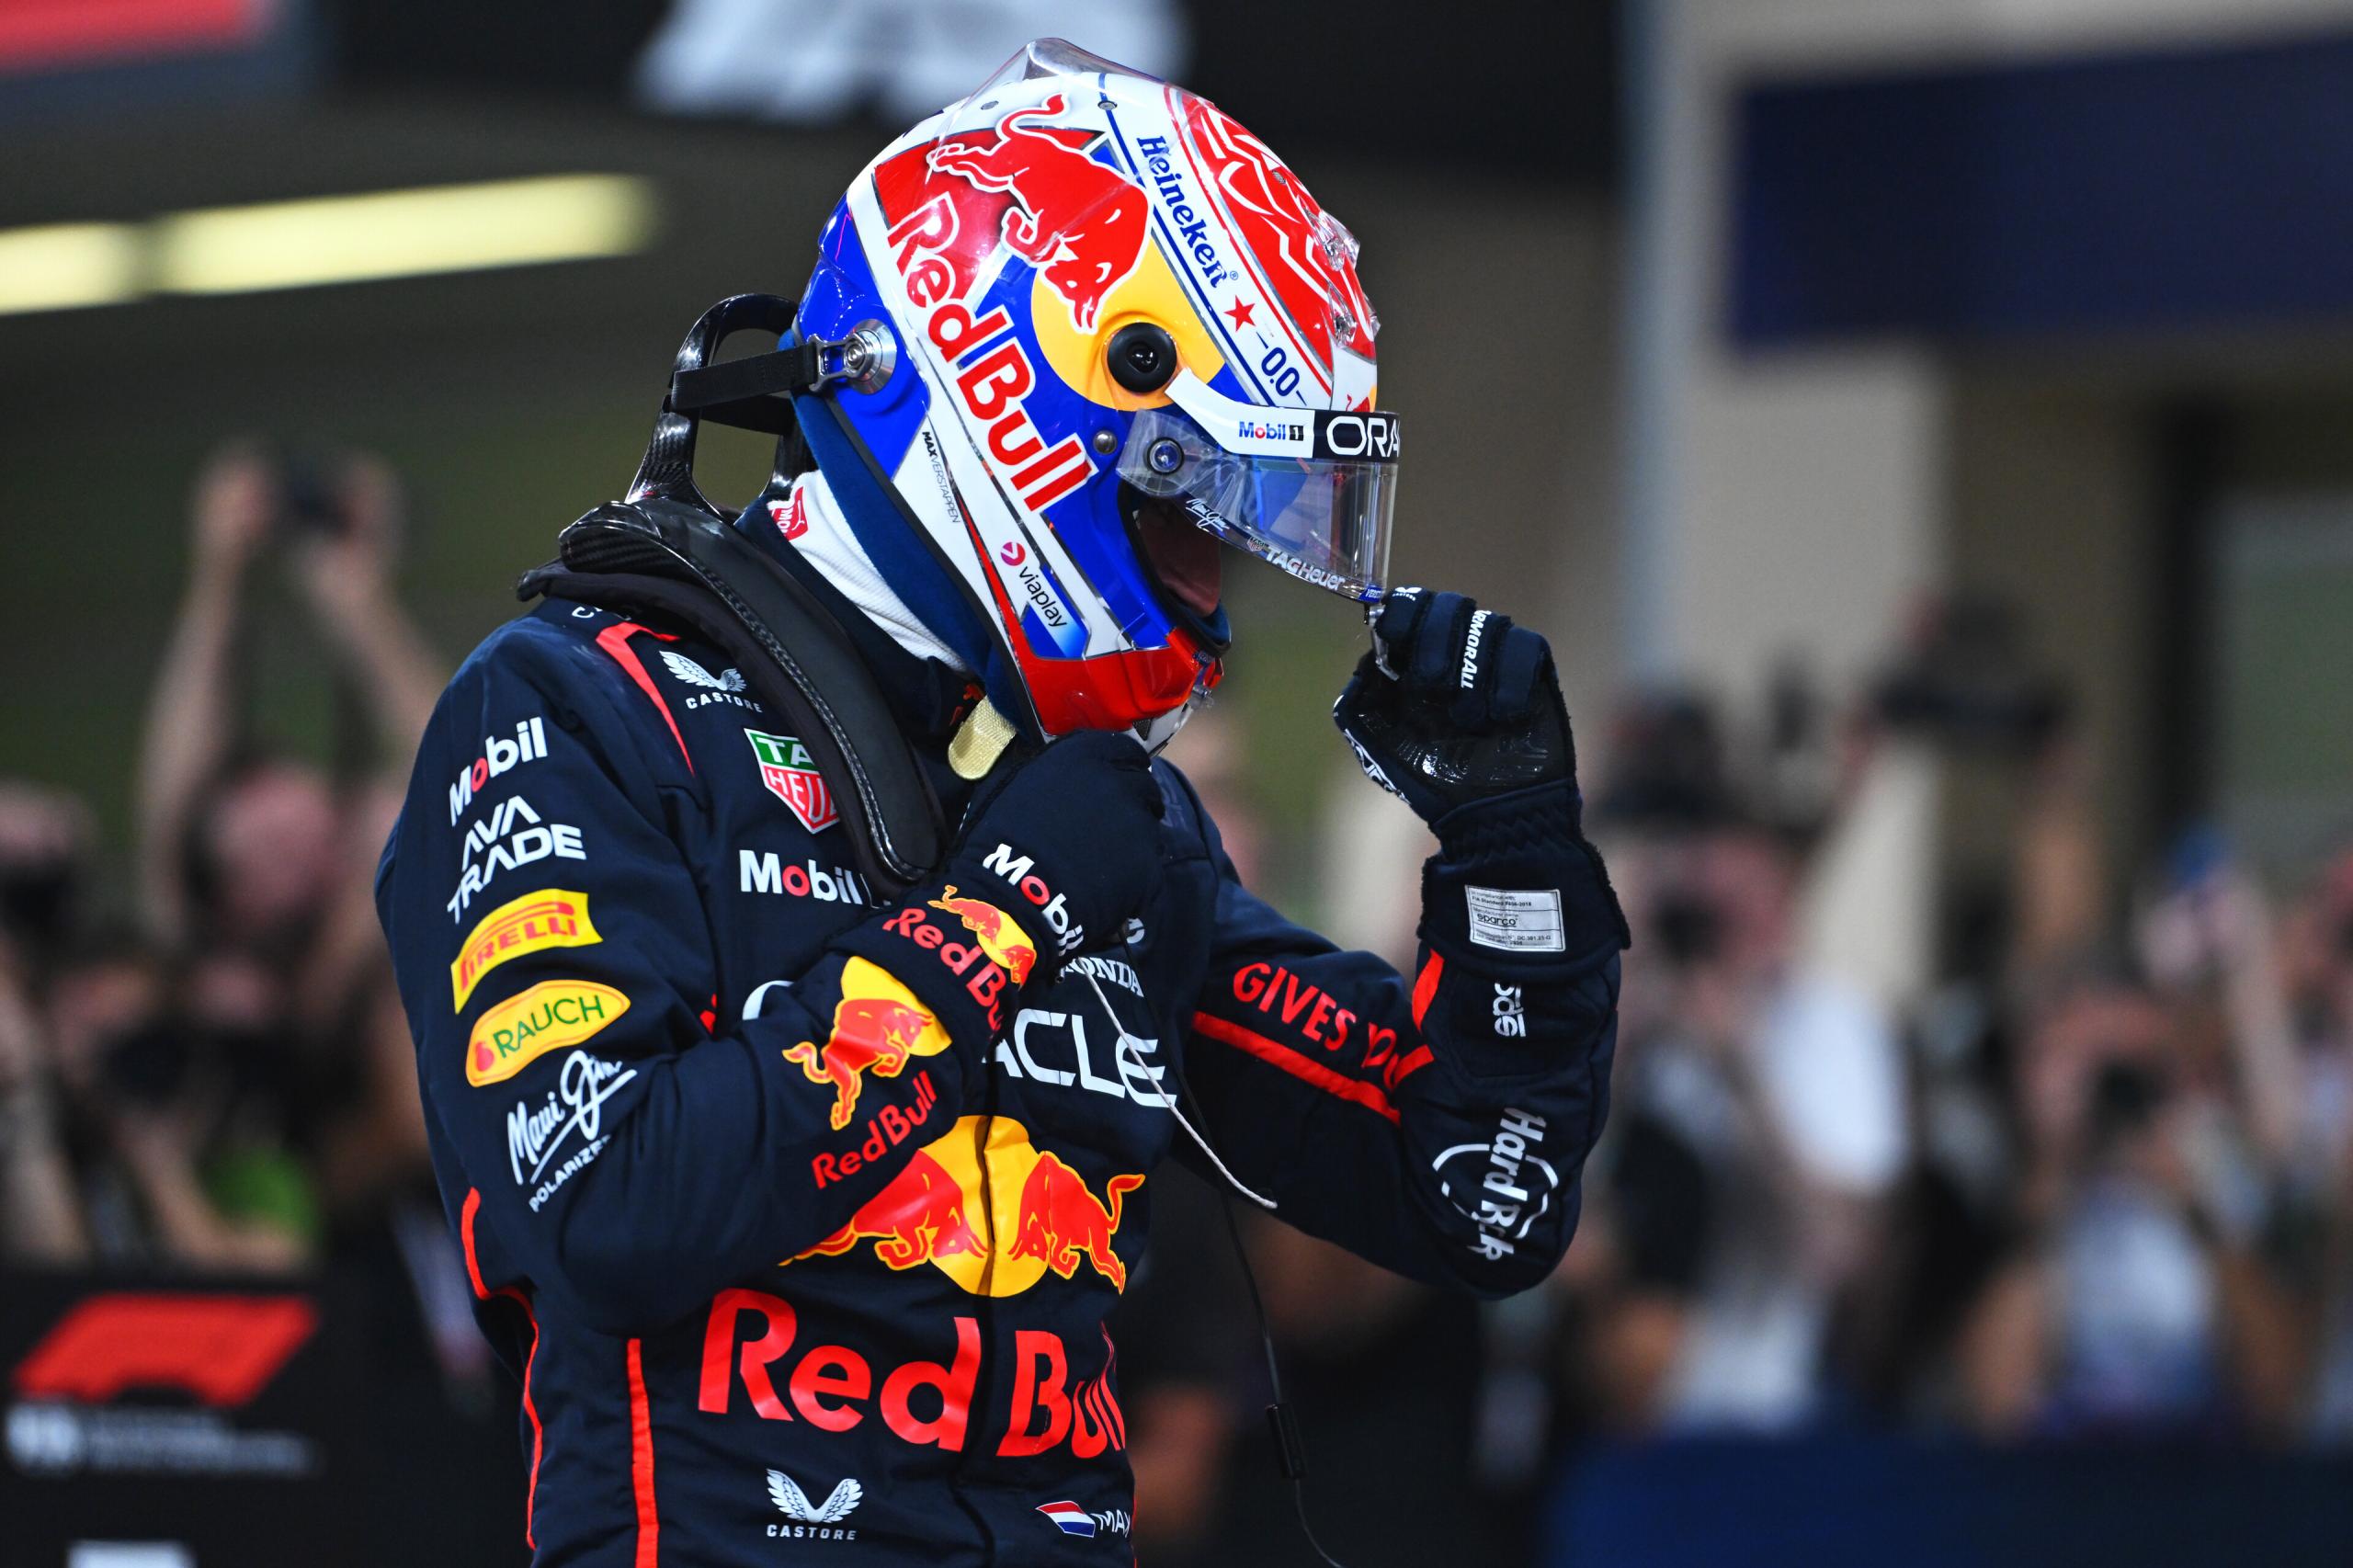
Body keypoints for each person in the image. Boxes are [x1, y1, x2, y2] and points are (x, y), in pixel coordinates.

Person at [376, 40, 1625, 1567]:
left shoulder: (1097, 812)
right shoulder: (577, 709)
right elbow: (602, 1212)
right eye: (1178, 507)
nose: (1207, 582)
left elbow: (1477, 1197)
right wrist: (997, 922)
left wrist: (1513, 855)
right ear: (1003, 392)